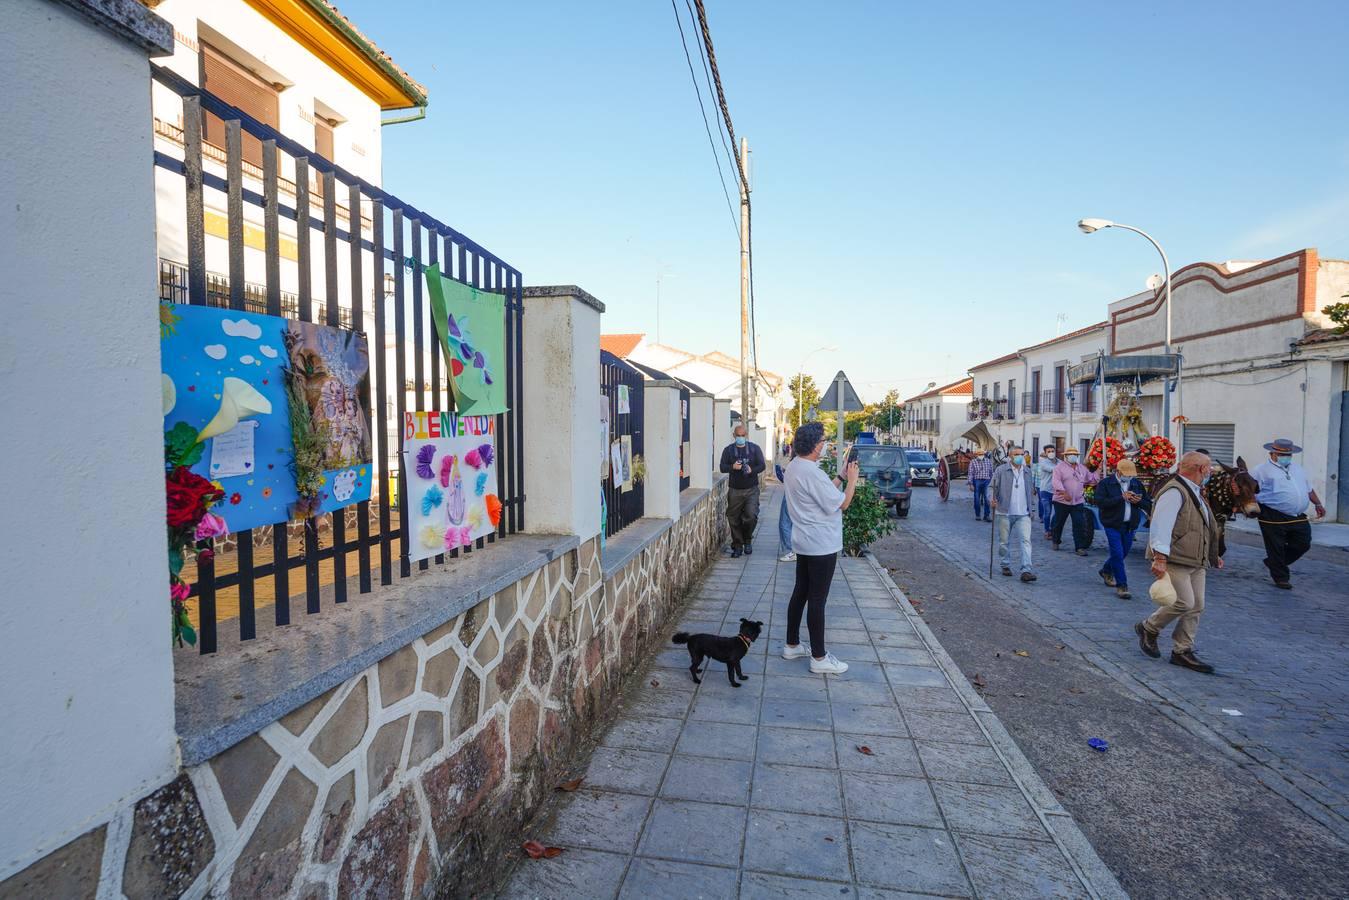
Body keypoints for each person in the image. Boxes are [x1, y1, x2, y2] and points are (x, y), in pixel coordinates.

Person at [781, 422, 859, 675]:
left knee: (800, 593)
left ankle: (792, 644)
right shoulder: (811, 472)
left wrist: (840, 477)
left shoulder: (795, 466)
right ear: (816, 446)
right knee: (817, 600)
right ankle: (819, 657)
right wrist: (853, 482)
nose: (825, 445)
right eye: (823, 441)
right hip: (821, 544)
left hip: (804, 540)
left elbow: (821, 495)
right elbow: (842, 504)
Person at [1135, 451, 1222, 674]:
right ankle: (1149, 627)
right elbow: (1161, 527)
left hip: (1196, 559)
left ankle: (1182, 650)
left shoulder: (1195, 491)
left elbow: (1204, 526)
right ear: (1200, 469)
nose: (1210, 472)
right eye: (1208, 468)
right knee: (1184, 602)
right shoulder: (1174, 491)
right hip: (1176, 558)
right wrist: (1160, 558)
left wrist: (1212, 554)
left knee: (1197, 605)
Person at [1251, 438, 1325, 589]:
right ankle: (1281, 577)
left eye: (1289, 454)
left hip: (1297, 515)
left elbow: (1308, 489)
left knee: (1303, 543)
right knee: (1275, 546)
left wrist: (1317, 503)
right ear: (1272, 453)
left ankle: (1274, 562)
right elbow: (1250, 491)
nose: (1287, 457)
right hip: (1272, 514)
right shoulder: (1260, 470)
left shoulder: (1298, 468)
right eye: (1282, 454)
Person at [1094, 459, 1151, 599]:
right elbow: (1100, 502)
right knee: (1118, 554)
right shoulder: (1106, 484)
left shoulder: (1136, 484)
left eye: (1131, 475)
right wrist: (1121, 498)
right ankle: (1122, 585)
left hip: (1130, 525)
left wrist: (1139, 502)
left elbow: (1148, 503)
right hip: (1112, 524)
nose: (1129, 477)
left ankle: (1106, 570)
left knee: (1123, 552)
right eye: (1127, 474)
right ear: (1118, 472)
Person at [989, 447, 1037, 582]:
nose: (1020, 457)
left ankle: (1026, 570)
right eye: (1016, 455)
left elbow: (1030, 491)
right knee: (1004, 541)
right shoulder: (1001, 470)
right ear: (1010, 456)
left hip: (1024, 513)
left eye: (1022, 454)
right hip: (1005, 511)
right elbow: (991, 487)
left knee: (1026, 541)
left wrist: (1031, 509)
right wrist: (991, 499)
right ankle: (1005, 564)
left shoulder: (1027, 471)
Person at [719, 424, 766, 558]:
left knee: (751, 516)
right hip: (735, 489)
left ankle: (748, 539)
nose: (740, 438)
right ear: (734, 436)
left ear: (746, 435)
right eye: (738, 436)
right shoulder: (728, 451)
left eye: (742, 435)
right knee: (733, 518)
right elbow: (722, 467)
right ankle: (738, 545)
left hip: (751, 489)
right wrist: (732, 467)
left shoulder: (754, 449)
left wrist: (752, 470)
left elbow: (762, 465)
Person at [1050, 447, 1099, 555]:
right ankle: (1056, 540)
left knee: (1079, 523)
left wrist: (1098, 470)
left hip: (1077, 501)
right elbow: (1056, 481)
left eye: (1075, 454)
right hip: (1061, 501)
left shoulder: (1082, 468)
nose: (1073, 456)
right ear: (1066, 456)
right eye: (1071, 454)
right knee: (1059, 522)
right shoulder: (1059, 468)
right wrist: (1064, 492)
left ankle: (1079, 547)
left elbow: (1090, 479)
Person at [775, 455, 795, 562]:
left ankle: (792, 551)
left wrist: (784, 475)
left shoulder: (797, 462)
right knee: (790, 523)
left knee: (785, 523)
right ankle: (794, 550)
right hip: (793, 494)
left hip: (791, 495)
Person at [1036, 446, 1058, 538]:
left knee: (1058, 513)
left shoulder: (1060, 462)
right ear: (1045, 453)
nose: (1051, 453)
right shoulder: (1043, 463)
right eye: (1049, 451)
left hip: (1057, 491)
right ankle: (1047, 530)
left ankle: (1053, 528)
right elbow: (1054, 470)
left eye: (1052, 451)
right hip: (1046, 490)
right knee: (1047, 512)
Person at [967, 450, 995, 522]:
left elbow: (991, 472)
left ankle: (987, 515)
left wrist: (992, 483)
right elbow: (970, 473)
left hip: (987, 481)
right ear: (976, 455)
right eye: (979, 454)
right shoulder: (973, 462)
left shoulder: (988, 461)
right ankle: (978, 515)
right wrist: (971, 484)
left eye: (982, 454)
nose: (981, 455)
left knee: (987, 498)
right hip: (977, 481)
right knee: (977, 498)